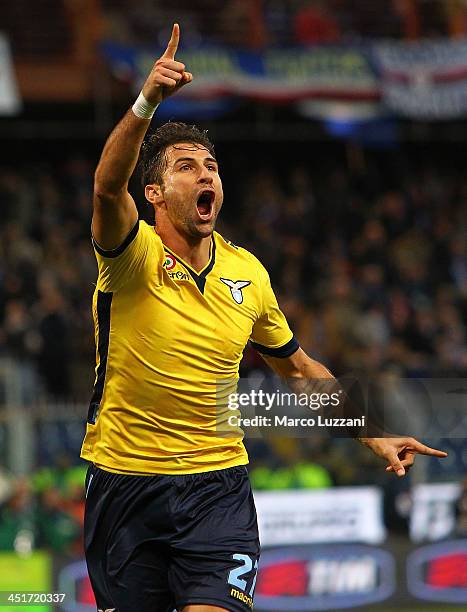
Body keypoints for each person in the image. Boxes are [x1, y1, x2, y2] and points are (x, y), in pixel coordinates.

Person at [81, 24, 448, 612]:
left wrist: (374, 435)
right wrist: (146, 101)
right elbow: (104, 189)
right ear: (152, 192)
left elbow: (299, 370)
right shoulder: (131, 255)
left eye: (212, 166)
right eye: (186, 166)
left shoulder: (248, 271)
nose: (206, 175)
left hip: (217, 491)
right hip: (126, 486)